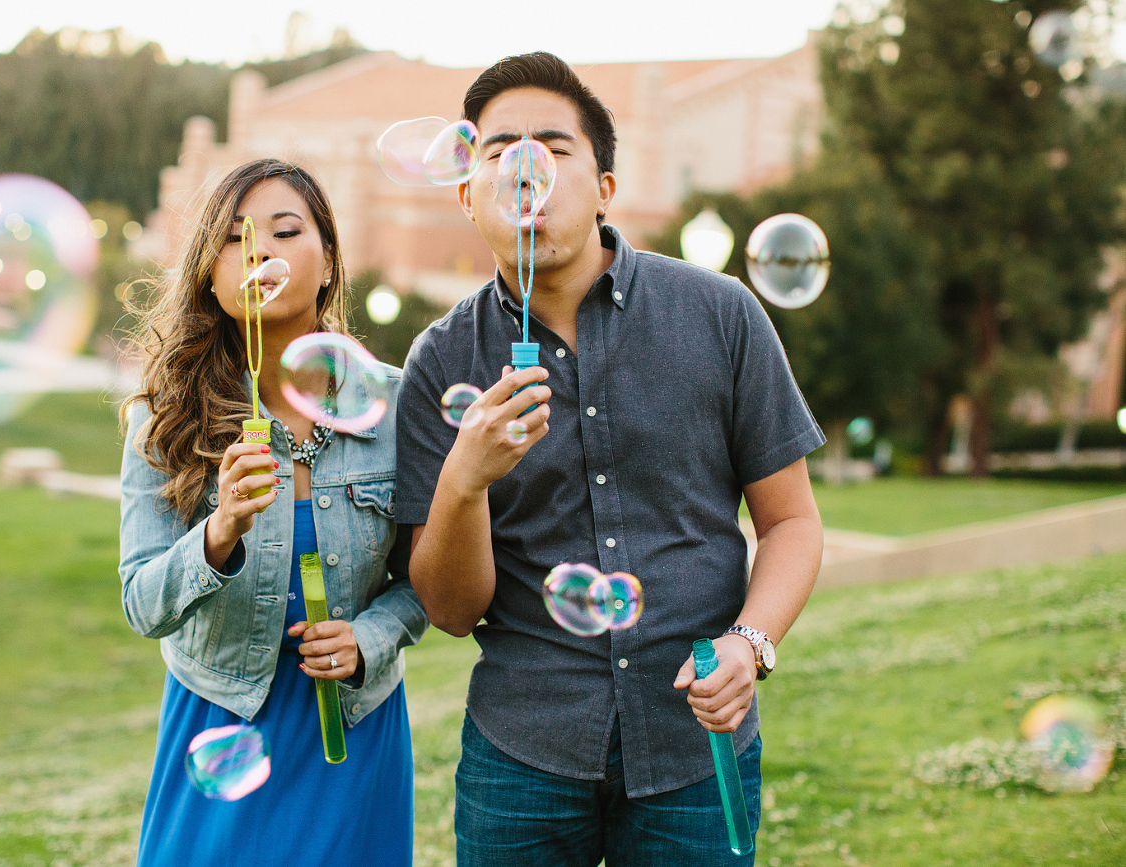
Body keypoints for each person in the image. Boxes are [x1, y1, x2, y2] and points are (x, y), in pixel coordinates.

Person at [395, 52, 826, 865]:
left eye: (554, 149)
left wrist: (750, 640)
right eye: (498, 153)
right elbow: (450, 610)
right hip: (523, 750)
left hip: (695, 747)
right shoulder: (440, 360)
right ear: (465, 193)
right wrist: (464, 480)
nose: (526, 171)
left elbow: (792, 521)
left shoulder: (721, 315)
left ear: (603, 187)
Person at [119, 158, 426, 867]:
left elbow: (427, 580)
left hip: (352, 728)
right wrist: (219, 528)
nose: (259, 251)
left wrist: (369, 638)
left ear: (327, 263)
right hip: (220, 722)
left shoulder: (397, 405)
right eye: (234, 239)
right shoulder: (166, 419)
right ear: (209, 275)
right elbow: (140, 603)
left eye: (286, 230)